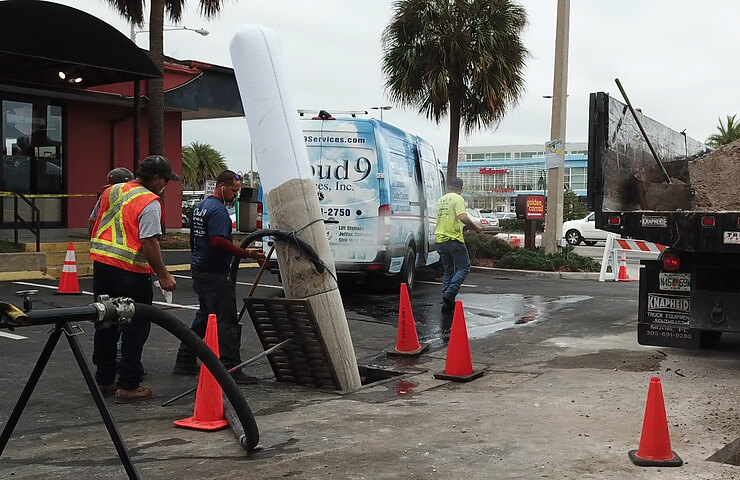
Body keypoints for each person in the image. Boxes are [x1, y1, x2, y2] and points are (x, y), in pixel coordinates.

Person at [89, 155, 178, 403]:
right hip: (130, 273)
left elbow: (92, 221)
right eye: (165, 180)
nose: (165, 185)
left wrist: (101, 249)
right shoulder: (150, 201)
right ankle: (128, 385)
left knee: (105, 321)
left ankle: (105, 379)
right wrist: (163, 275)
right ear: (157, 178)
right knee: (135, 326)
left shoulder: (112, 191)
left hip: (103, 267)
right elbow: (149, 241)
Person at [173, 170, 264, 385]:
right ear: (222, 186)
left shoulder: (201, 207)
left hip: (201, 268)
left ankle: (185, 359)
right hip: (214, 272)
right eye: (233, 190)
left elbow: (195, 239)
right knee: (225, 320)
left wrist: (196, 257)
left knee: (205, 316)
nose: (235, 195)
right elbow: (218, 241)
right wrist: (247, 254)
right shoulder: (218, 211)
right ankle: (230, 367)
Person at [434, 177, 482, 312]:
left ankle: (447, 300)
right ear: (461, 189)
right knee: (464, 267)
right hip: (453, 238)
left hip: (440, 239)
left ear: (449, 187)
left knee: (448, 270)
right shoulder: (458, 199)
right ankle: (450, 292)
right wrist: (475, 227)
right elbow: (462, 217)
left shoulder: (441, 200)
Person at [89, 167, 134, 237]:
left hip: (103, 242)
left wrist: (93, 240)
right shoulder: (135, 197)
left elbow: (92, 220)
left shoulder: (105, 195)